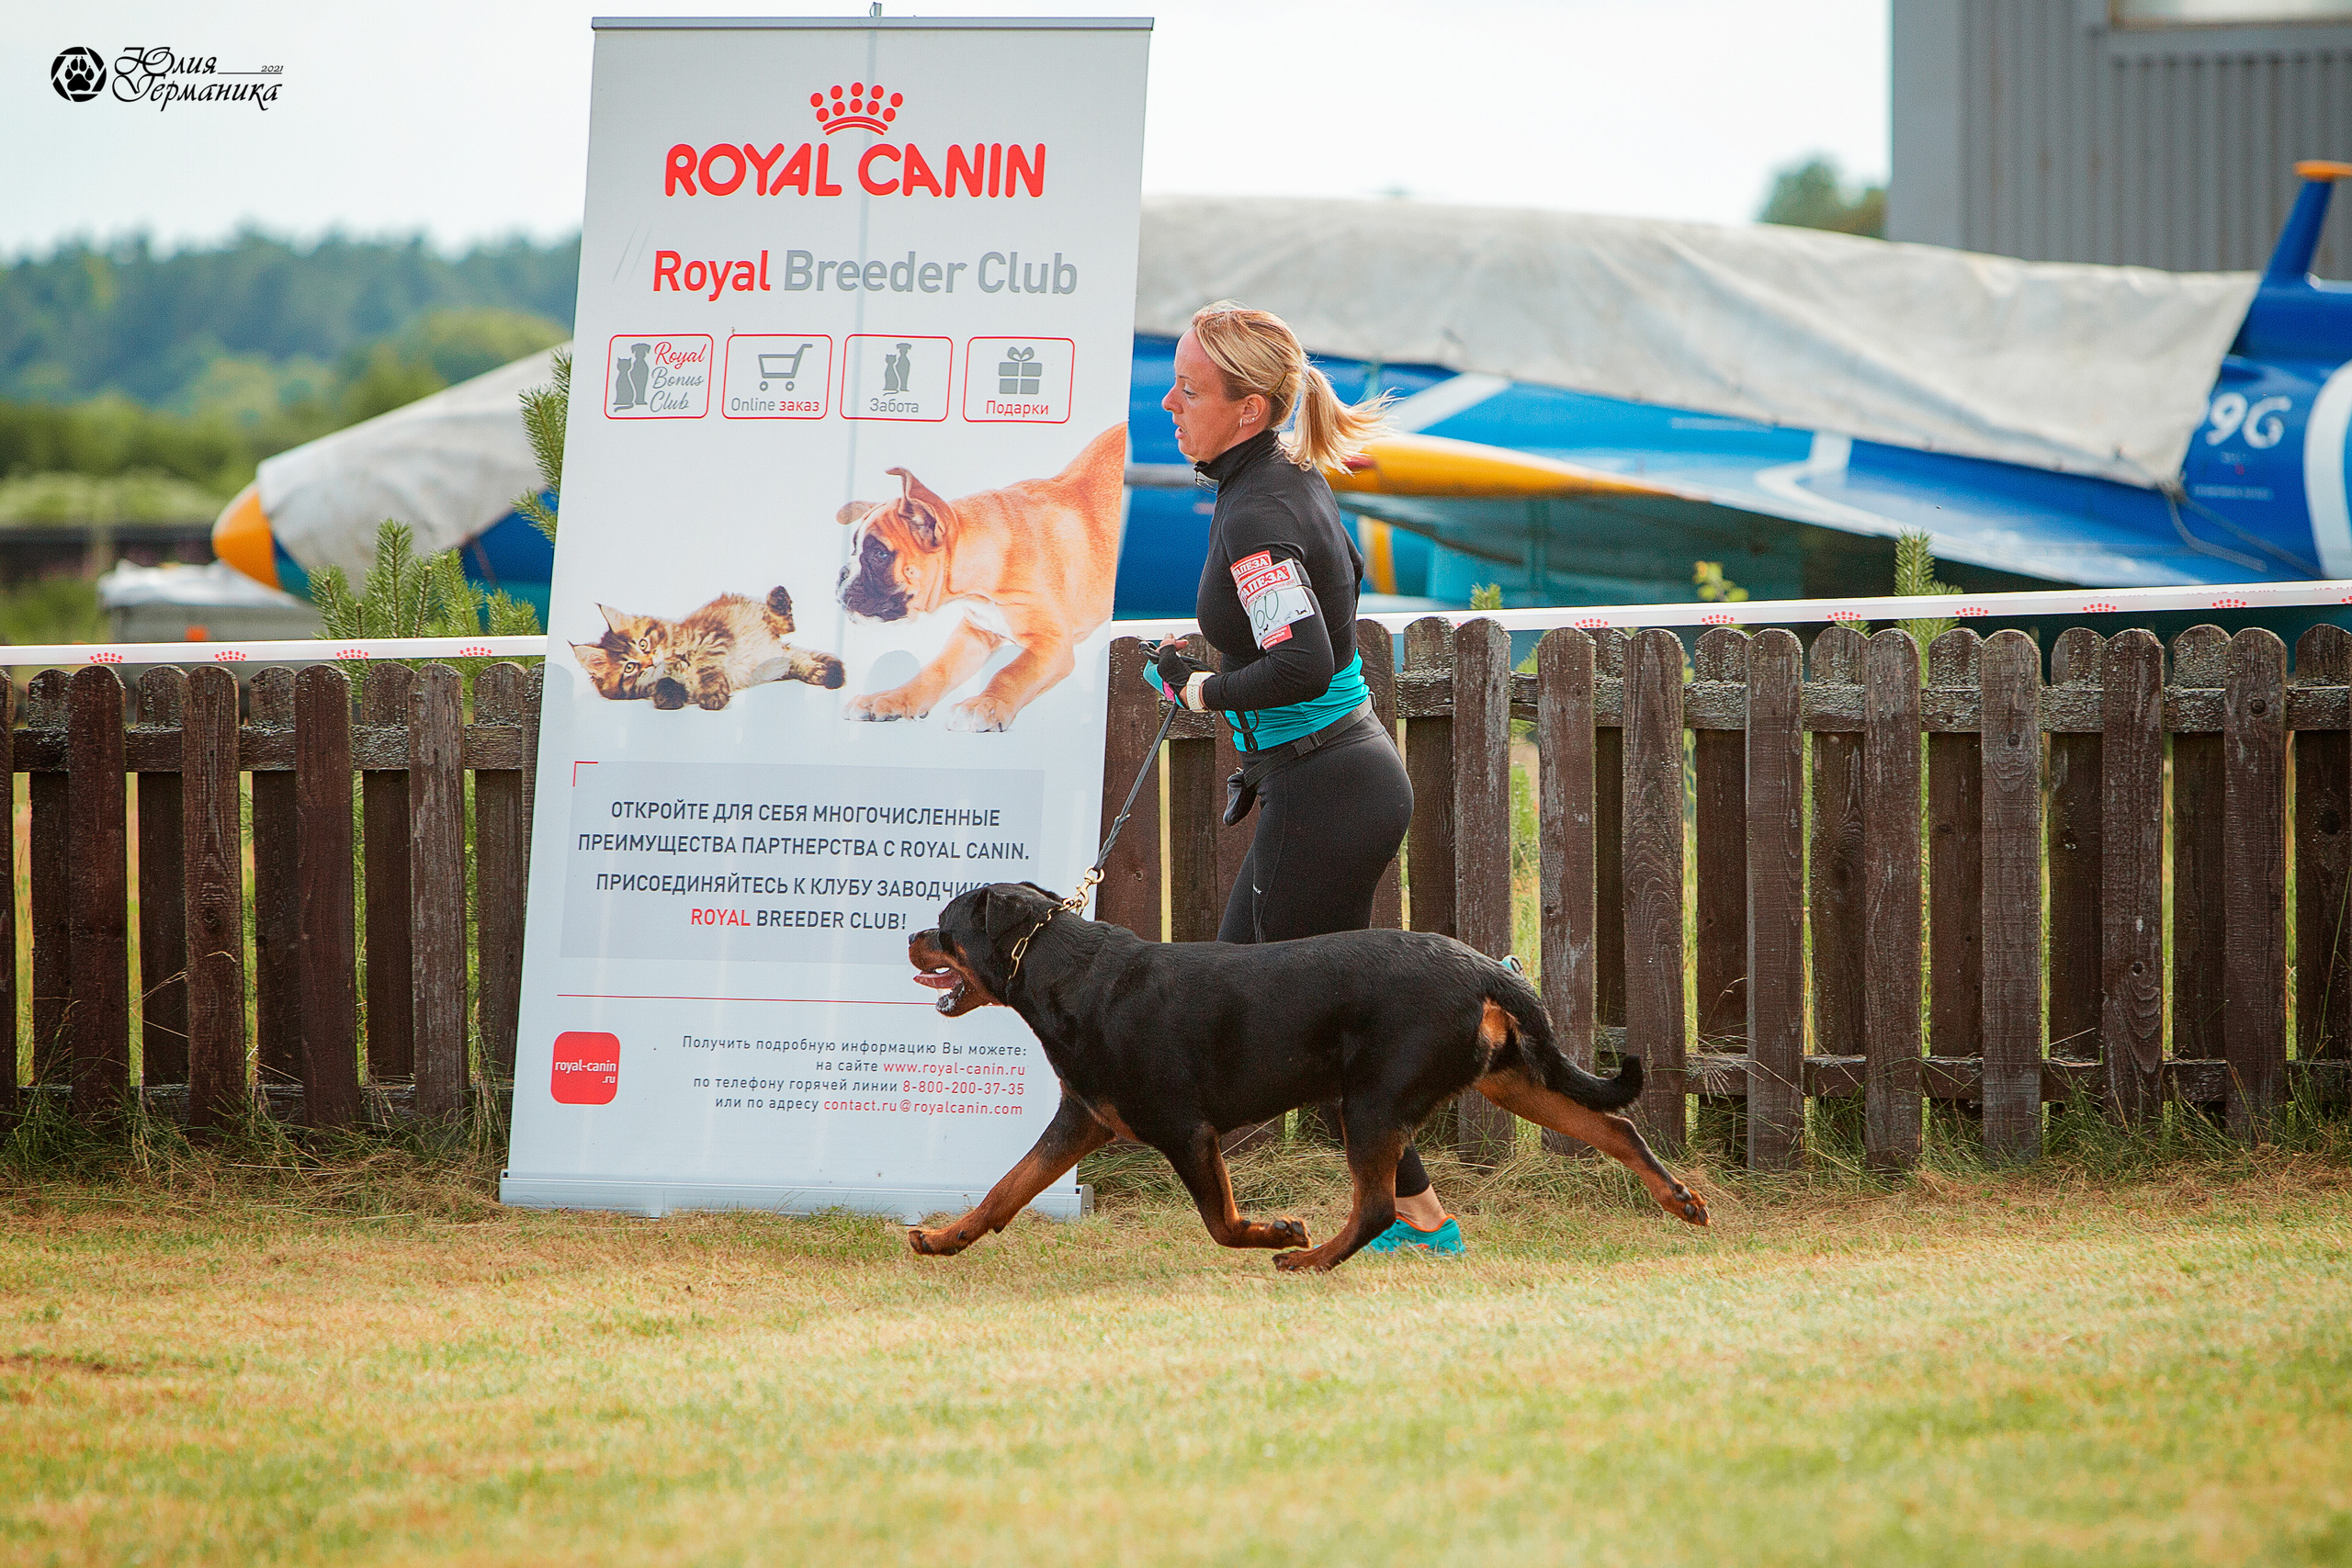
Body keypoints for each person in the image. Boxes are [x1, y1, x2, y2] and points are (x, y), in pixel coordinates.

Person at [1148, 299, 1460, 1257]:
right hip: (1327, 780)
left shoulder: (1257, 508)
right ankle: (1415, 1221)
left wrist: (1201, 692)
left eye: (1189, 389)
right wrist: (1201, 657)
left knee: (1282, 1024)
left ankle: (1417, 1224)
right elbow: (1289, 638)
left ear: (1247, 409)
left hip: (1331, 788)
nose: (1168, 403)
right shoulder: (1273, 478)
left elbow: (1303, 664)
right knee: (1261, 1010)